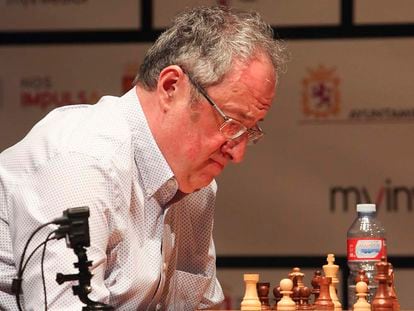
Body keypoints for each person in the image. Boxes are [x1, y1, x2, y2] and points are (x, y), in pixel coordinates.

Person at [0, 5, 287, 310]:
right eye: (230, 123)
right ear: (170, 87)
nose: (237, 152)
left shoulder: (195, 188)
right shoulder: (82, 162)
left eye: (248, 132)